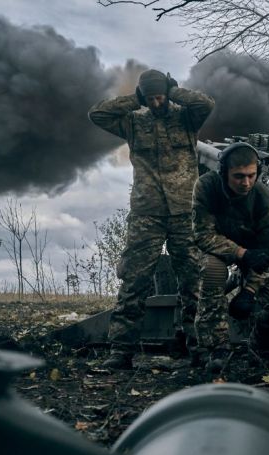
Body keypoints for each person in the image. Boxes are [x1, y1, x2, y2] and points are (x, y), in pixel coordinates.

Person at [88, 69, 214, 369]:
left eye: (160, 96)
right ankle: (121, 351)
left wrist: (174, 91)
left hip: (186, 211)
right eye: (152, 97)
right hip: (147, 213)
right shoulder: (133, 121)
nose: (157, 103)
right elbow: (97, 114)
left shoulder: (186, 119)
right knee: (134, 280)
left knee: (194, 280)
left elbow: (205, 104)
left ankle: (201, 350)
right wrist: (135, 99)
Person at [192, 142, 269, 373]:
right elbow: (203, 234)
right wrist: (241, 254)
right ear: (224, 171)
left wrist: (250, 291)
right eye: (238, 176)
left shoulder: (266, 201)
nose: (245, 183)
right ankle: (215, 347)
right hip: (219, 248)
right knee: (212, 272)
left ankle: (262, 349)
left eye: (251, 176)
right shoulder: (206, 187)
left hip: (258, 255)